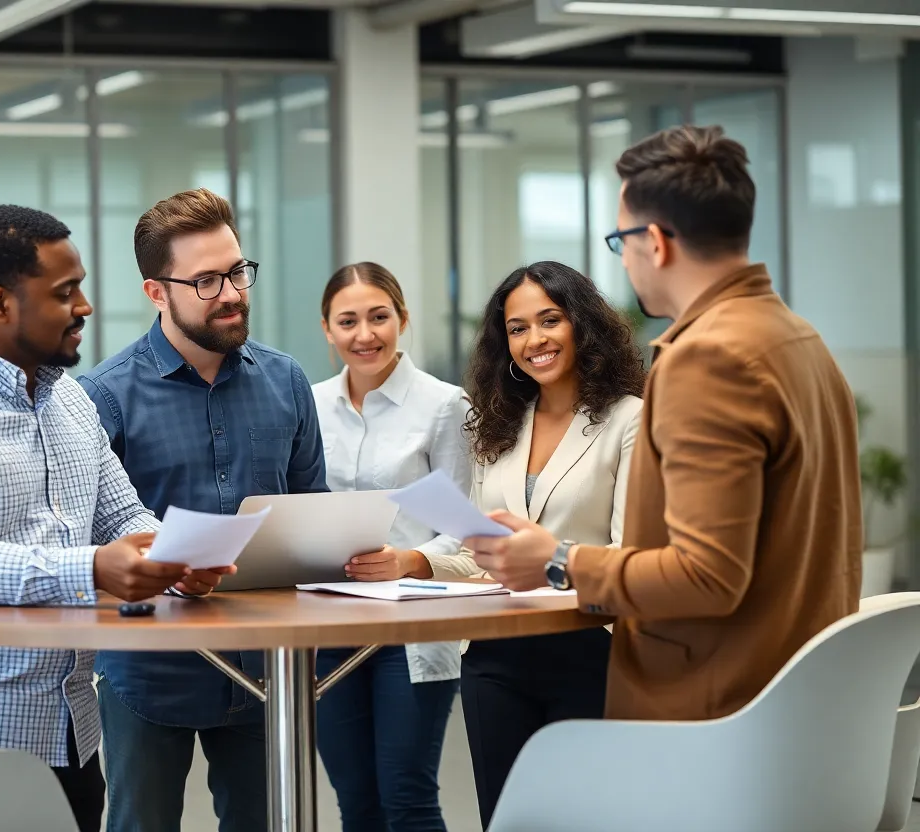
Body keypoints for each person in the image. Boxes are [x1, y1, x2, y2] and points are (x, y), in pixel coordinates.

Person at [464, 124, 862, 724]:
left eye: (620, 240)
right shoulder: (799, 340)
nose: (623, 260)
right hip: (799, 700)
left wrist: (560, 560)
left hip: (718, 704)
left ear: (653, 241)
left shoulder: (708, 358)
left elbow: (707, 575)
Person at [0, 204, 208, 832]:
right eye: (65, 292)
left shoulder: (69, 400)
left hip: (70, 732)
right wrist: (96, 570)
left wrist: (179, 556)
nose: (86, 306)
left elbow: (122, 518)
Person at [78, 188, 327, 832]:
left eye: (238, 272)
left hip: (265, 668)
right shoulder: (103, 396)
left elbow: (311, 509)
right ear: (156, 292)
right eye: (207, 280)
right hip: (148, 670)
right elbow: (85, 543)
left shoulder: (286, 380)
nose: (232, 293)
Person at [456, 260, 645, 829]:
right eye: (517, 328)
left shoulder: (628, 420)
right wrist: (411, 562)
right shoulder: (498, 426)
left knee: (586, 818)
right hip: (494, 655)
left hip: (588, 649)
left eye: (549, 321)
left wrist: (553, 566)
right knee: (506, 818)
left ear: (581, 325)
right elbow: (477, 551)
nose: (534, 340)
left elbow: (627, 554)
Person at [311, 262, 472, 832]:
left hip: (412, 625)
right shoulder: (309, 406)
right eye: (347, 321)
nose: (365, 334)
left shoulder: (445, 405)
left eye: (379, 317)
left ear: (402, 319)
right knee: (355, 802)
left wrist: (409, 560)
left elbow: (465, 527)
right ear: (327, 330)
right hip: (329, 627)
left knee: (406, 796)